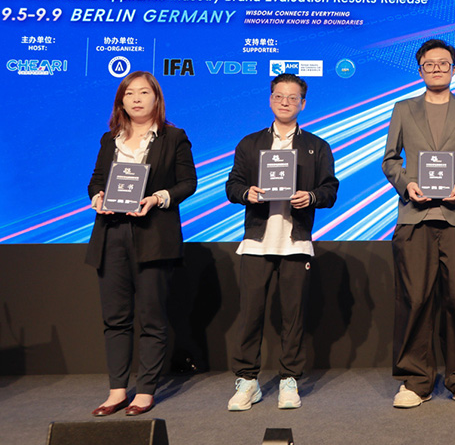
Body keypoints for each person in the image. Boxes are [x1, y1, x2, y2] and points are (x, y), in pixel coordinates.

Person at [381, 39, 455, 408]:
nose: (437, 69)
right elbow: (390, 160)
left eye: (443, 63)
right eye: (429, 64)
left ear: (454, 68)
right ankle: (416, 381)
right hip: (414, 217)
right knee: (414, 299)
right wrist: (406, 185)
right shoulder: (403, 109)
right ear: (420, 70)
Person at [224, 74, 338, 411]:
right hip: (257, 243)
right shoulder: (250, 143)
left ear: (303, 104)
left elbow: (330, 190)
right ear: (270, 99)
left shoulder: (317, 146)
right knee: (250, 316)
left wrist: (311, 196)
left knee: (293, 316)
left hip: (296, 242)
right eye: (279, 96)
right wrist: (246, 193)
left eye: (292, 97)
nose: (285, 102)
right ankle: (247, 381)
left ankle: (289, 379)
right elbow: (232, 186)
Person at [86, 71, 197, 416]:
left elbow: (188, 182)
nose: (136, 98)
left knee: (151, 317)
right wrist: (98, 197)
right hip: (111, 233)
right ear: (121, 101)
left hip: (153, 235)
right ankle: (117, 390)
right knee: (115, 318)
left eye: (144, 92)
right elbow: (96, 181)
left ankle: (145, 391)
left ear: (156, 99)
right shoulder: (110, 140)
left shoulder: (173, 137)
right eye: (129, 93)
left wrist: (157, 198)